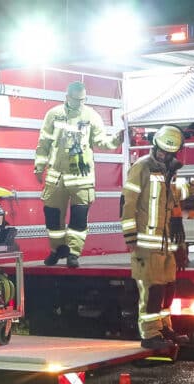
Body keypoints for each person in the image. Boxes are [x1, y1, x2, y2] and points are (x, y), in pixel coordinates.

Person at [120, 126, 194, 349]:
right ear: (155, 146)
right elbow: (128, 202)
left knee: (167, 287)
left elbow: (172, 196)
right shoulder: (142, 167)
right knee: (152, 289)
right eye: (161, 150)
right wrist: (130, 236)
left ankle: (165, 328)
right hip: (146, 244)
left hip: (164, 244)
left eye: (168, 153)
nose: (163, 155)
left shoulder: (166, 172)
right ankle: (149, 335)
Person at [34, 81, 121, 268]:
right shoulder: (54, 114)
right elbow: (44, 143)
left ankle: (73, 253)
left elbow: (100, 141)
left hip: (82, 178)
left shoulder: (92, 116)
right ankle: (57, 250)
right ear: (67, 97)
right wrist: (39, 167)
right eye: (76, 100)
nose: (79, 103)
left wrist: (115, 140)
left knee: (79, 218)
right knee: (52, 215)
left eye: (82, 100)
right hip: (56, 177)